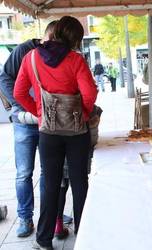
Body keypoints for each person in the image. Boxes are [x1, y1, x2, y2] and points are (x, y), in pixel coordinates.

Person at [14, 16, 98, 249]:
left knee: (50, 184)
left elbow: (19, 93)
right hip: (76, 132)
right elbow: (90, 93)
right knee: (80, 182)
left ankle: (43, 240)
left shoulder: (30, 58)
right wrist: (82, 113)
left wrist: (40, 114)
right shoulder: (76, 60)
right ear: (76, 39)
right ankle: (84, 235)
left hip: (48, 132)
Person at [0, 21, 58, 238]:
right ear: (49, 36)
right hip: (24, 122)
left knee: (48, 172)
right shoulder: (25, 49)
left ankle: (50, 216)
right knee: (24, 173)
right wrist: (23, 105)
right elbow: (4, 78)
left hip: (46, 124)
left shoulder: (59, 55)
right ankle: (25, 218)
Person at [54, 105, 102, 240]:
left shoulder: (50, 101)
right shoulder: (90, 108)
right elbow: (92, 139)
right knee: (79, 185)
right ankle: (81, 228)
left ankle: (57, 225)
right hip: (78, 147)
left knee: (60, 185)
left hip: (54, 144)